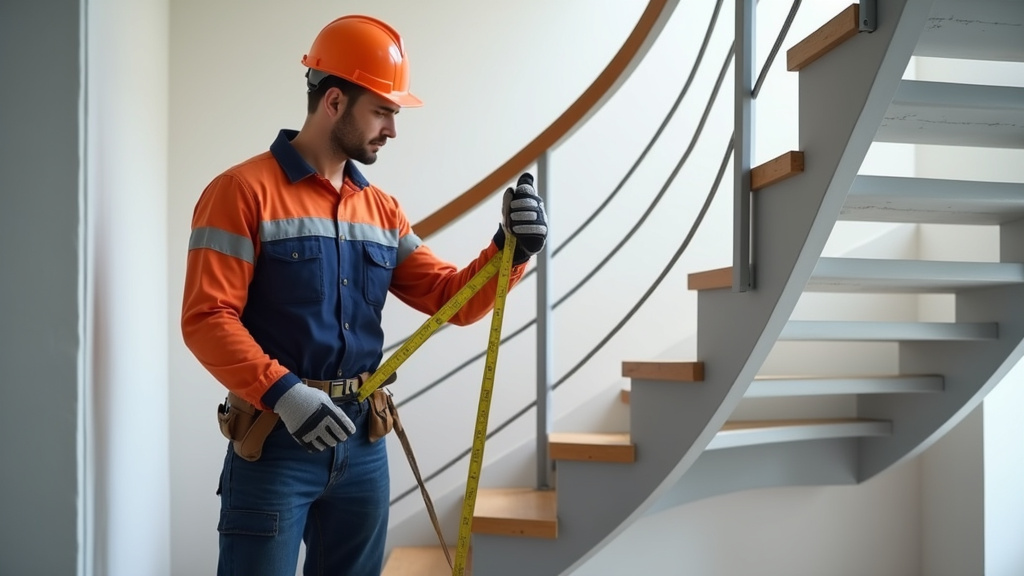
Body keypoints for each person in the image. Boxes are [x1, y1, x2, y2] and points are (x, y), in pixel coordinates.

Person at [180, 14, 548, 576]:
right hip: (275, 442)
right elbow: (207, 318)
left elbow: (453, 299)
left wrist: (510, 250)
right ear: (333, 102)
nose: (392, 130)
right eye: (382, 111)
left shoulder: (382, 211)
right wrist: (285, 394)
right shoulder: (240, 193)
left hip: (364, 445)